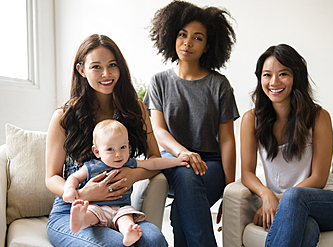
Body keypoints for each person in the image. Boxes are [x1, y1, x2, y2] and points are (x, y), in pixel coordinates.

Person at [45, 34, 168, 247]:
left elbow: (154, 158)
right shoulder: (64, 117)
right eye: (96, 67)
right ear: (81, 70)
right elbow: (51, 177)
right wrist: (82, 193)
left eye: (112, 65)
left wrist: (132, 175)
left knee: (154, 239)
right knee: (114, 245)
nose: (106, 74)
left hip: (119, 210)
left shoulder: (135, 109)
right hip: (72, 212)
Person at [240, 44, 333, 247]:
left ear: (296, 77)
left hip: (328, 203)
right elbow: (247, 173)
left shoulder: (318, 117)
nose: (274, 82)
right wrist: (266, 195)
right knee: (307, 228)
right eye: (267, 75)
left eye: (283, 74)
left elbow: (319, 178)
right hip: (290, 208)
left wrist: (279, 199)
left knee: (294, 197)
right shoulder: (251, 119)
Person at [144, 1, 239, 246]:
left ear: (208, 45)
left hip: (211, 164)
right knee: (186, 172)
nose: (188, 42)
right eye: (182, 35)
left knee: (179, 212)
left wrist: (230, 191)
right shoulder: (159, 82)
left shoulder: (219, 85)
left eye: (197, 38)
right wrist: (183, 153)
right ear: (171, 37)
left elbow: (227, 139)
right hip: (173, 159)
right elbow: (159, 130)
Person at [64, 119, 193, 246]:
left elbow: (153, 163)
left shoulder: (129, 163)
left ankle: (128, 234)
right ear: (97, 152)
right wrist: (70, 189)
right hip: (97, 207)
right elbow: (73, 178)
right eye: (110, 149)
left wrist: (176, 161)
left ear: (128, 146)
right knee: (91, 215)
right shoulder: (92, 166)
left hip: (120, 208)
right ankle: (79, 220)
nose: (118, 154)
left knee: (126, 219)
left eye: (123, 147)